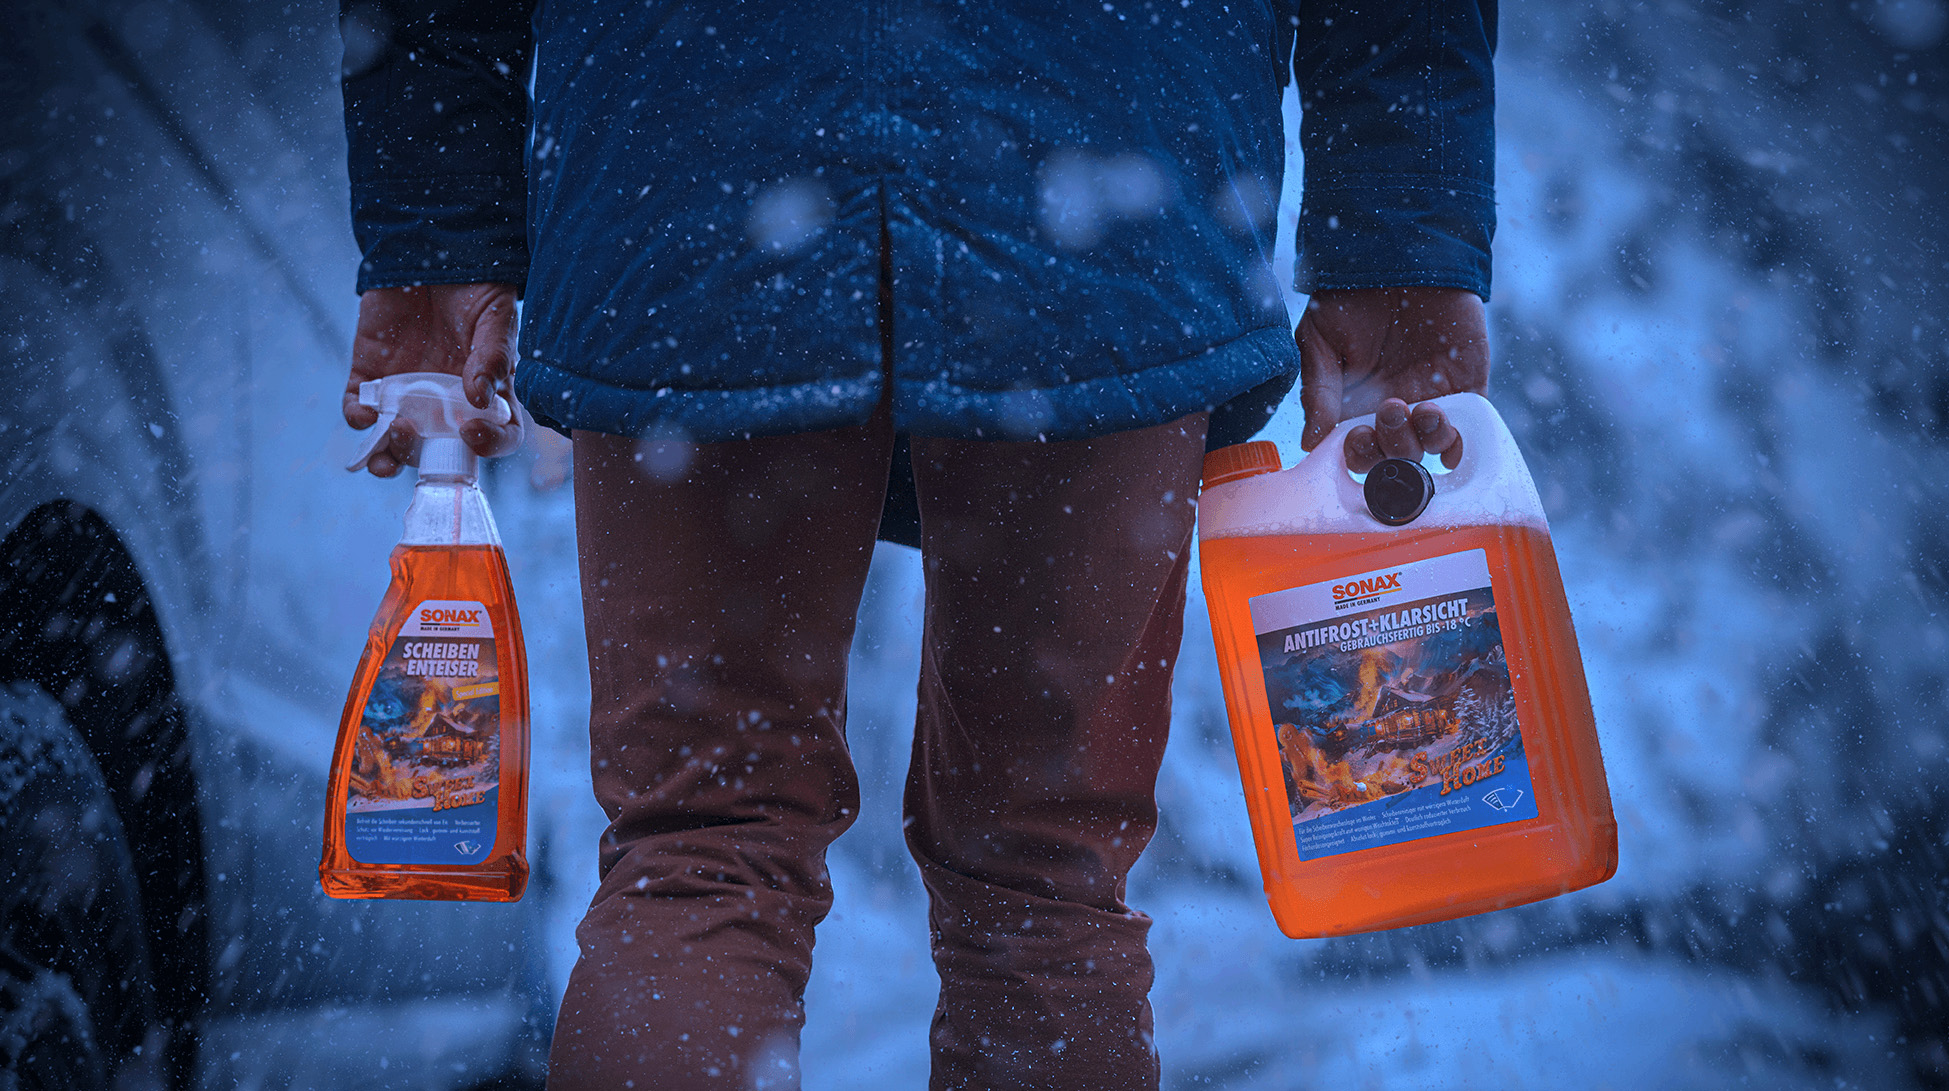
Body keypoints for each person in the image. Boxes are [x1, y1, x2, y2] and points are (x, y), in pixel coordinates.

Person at [338, 1, 1498, 1087]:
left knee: (702, 846)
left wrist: (434, 232)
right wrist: (1403, 242)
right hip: (1100, 163)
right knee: (1046, 879)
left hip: (694, 157)